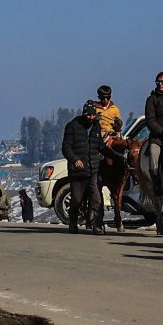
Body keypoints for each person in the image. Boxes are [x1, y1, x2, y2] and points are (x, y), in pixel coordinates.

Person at [62, 100, 105, 233]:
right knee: (76, 199)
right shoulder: (72, 126)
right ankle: (73, 222)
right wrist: (75, 160)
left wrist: (116, 156)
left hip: (93, 169)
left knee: (97, 198)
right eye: (88, 115)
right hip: (78, 172)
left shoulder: (96, 126)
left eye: (93, 115)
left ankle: (97, 225)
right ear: (83, 114)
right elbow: (66, 148)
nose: (91, 118)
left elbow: (101, 146)